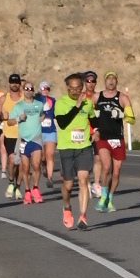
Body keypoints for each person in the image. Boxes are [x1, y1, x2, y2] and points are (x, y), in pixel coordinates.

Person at [55, 72, 97, 228]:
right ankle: (67, 207)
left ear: (82, 87)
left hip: (83, 147)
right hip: (66, 147)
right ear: (67, 87)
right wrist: (77, 106)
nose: (75, 91)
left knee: (83, 180)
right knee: (68, 185)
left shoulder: (88, 103)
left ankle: (83, 217)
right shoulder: (61, 103)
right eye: (72, 88)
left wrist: (96, 130)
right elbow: (62, 123)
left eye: (78, 88)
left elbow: (93, 118)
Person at [92, 74, 130, 211]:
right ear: (105, 81)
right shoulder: (97, 96)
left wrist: (121, 114)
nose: (111, 81)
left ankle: (110, 198)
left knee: (116, 172)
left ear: (117, 81)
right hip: (103, 138)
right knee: (106, 167)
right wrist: (94, 128)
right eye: (109, 79)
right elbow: (88, 114)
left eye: (114, 79)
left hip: (117, 138)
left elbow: (131, 118)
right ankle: (103, 196)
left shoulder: (122, 97)